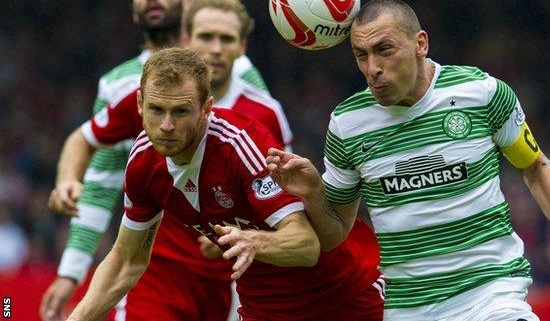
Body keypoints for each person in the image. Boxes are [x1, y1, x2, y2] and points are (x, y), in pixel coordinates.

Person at [266, 0, 550, 320]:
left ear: (420, 43)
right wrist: (314, 193)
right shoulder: (348, 124)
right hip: (409, 307)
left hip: (490, 294)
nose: (372, 68)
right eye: (362, 55)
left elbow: (535, 167)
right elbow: (333, 235)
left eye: (384, 49)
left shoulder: (481, 93)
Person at [66, 47, 384, 321]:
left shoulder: (240, 145)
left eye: (180, 111)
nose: (166, 126)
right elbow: (127, 260)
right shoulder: (144, 161)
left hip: (345, 297)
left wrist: (253, 242)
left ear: (206, 107)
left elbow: (306, 245)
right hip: (266, 308)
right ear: (139, 104)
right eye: (156, 109)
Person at [40, 0, 270, 320]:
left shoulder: (236, 70)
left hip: (229, 266)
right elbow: (102, 181)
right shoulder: (119, 85)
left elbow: (268, 165)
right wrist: (72, 269)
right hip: (154, 263)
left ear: (187, 1)